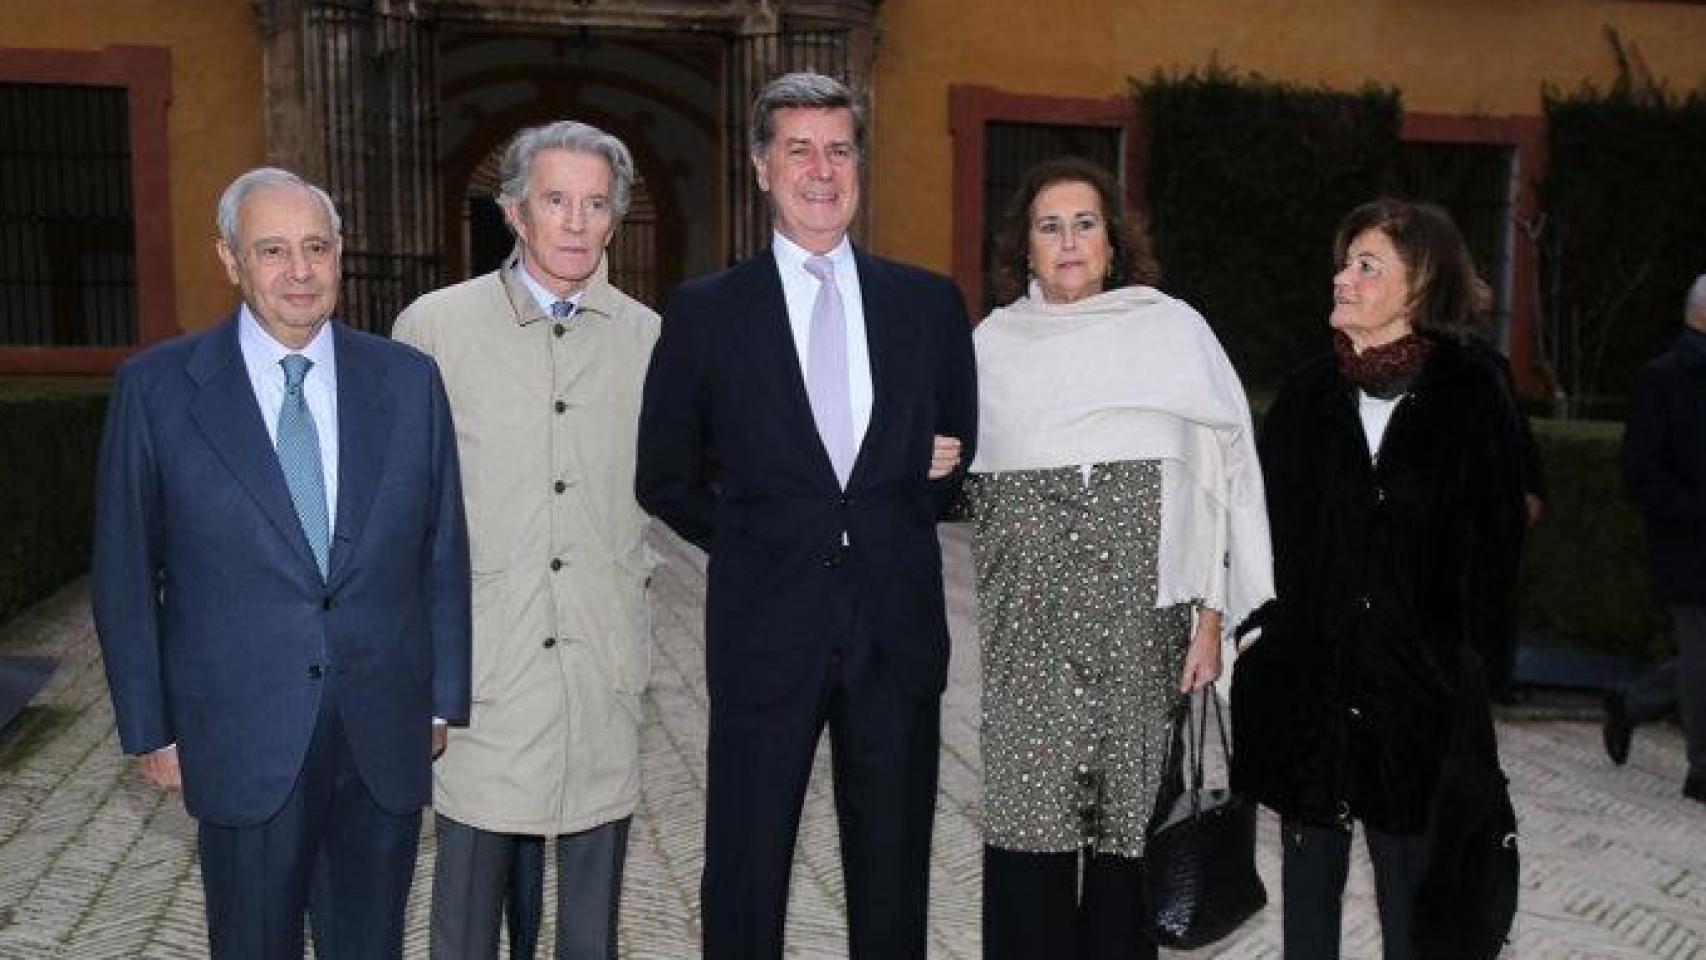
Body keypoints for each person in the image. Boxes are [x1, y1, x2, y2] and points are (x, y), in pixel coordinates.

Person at [635, 71, 977, 959]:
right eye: (799, 150)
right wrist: (760, 538)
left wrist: (899, 497)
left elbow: (956, 454)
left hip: (896, 631)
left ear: (859, 164)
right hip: (765, 627)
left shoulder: (927, 304)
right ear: (761, 167)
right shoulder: (707, 312)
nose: (822, 170)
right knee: (746, 871)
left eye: (839, 149)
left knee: (894, 876)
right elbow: (663, 476)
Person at [90, 167, 471, 958]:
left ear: (340, 254)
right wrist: (150, 725)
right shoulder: (157, 390)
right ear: (229, 259)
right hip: (237, 733)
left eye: (316, 248)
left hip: (382, 729)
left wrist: (441, 701)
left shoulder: (407, 381)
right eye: (272, 250)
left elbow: (441, 548)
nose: (300, 271)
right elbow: (124, 570)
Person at [967, 158, 1273, 960]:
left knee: (1126, 849)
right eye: (1050, 226)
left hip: (1142, 635)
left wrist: (1214, 617)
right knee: (1028, 838)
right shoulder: (991, 349)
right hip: (1028, 642)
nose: (1069, 241)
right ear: (1025, 248)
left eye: (1086, 223)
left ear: (1113, 242)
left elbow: (1224, 477)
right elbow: (951, 471)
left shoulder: (1173, 333)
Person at [1231, 199, 1527, 960]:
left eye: (1367, 266)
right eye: (1344, 262)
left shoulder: (1473, 393)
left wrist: (1469, 679)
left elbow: (1497, 550)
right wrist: (1258, 640)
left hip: (1417, 701)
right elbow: (1261, 532)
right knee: (1308, 910)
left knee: (1416, 914)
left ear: (1421, 285)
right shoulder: (1307, 394)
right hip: (1312, 694)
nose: (1344, 278)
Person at [393, 121, 659, 959]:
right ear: (513, 211)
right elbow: (400, 510)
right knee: (465, 919)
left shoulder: (652, 339)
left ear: (615, 218)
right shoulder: (434, 329)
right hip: (485, 671)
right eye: (555, 200)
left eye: (595, 204)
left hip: (600, 664)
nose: (576, 222)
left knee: (590, 927)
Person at [1604, 274, 1706, 804]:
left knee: (1700, 656)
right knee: (1701, 654)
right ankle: (1702, 767)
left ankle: (1634, 700)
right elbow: (1642, 469)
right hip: (1688, 542)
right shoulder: (1663, 379)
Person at [1468, 276, 1548, 701]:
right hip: (1467, 504)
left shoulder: (1492, 365)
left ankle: (1495, 676)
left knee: (1498, 594)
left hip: (1496, 506)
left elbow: (1518, 431)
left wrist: (1532, 487)